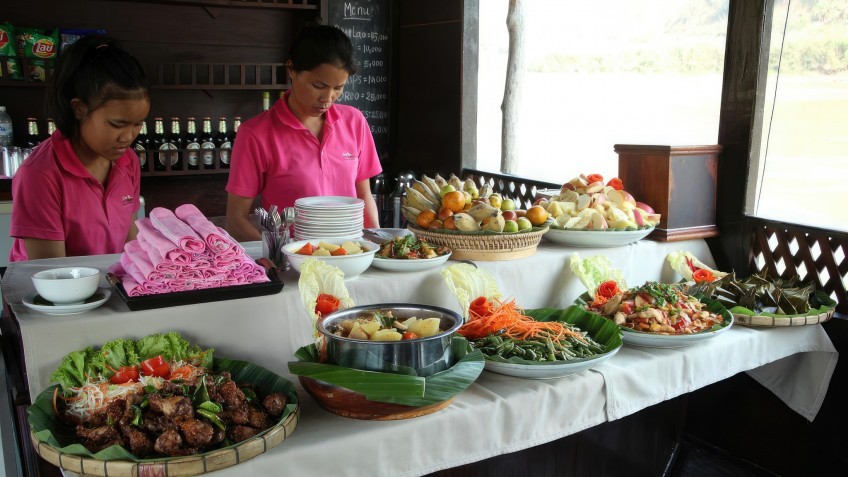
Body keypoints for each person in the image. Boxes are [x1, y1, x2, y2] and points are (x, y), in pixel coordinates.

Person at [225, 23, 382, 242]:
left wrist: (376, 248)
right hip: (293, 256)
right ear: (292, 69)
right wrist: (279, 255)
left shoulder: (354, 121)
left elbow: (364, 196)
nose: (327, 98)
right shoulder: (255, 134)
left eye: (338, 88)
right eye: (318, 85)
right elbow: (236, 219)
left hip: (352, 252)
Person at [8, 36, 150, 262]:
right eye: (117, 124)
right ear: (79, 108)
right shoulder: (40, 174)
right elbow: (50, 273)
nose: (128, 137)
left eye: (138, 124)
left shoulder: (128, 161)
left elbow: (129, 245)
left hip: (107, 281)